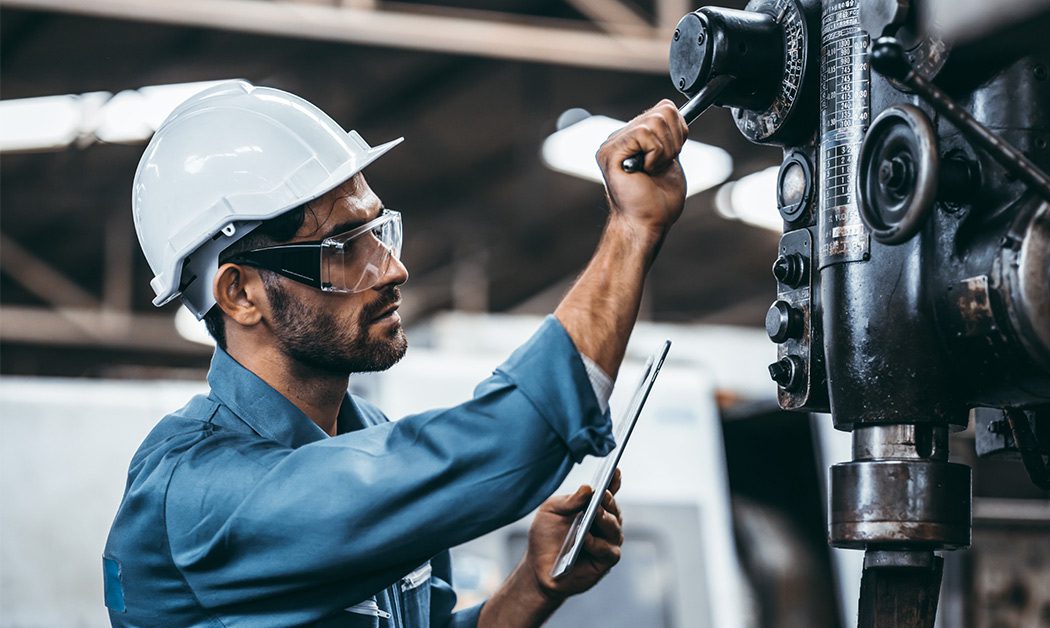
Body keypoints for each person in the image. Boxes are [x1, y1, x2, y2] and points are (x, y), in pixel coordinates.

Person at [103, 81, 688, 626]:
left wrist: (533, 585)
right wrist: (630, 232)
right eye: (343, 248)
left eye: (379, 232)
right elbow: (505, 443)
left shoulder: (364, 433)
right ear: (240, 293)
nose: (393, 268)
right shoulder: (198, 493)